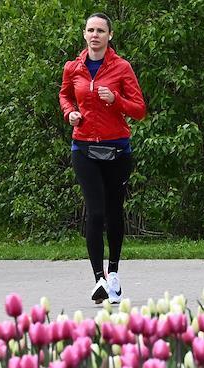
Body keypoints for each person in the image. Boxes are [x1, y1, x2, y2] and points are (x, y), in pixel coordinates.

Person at [59, 12, 146, 304]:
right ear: (84, 35)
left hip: (117, 149)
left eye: (100, 30)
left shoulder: (122, 68)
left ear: (110, 36)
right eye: (90, 30)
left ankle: (114, 274)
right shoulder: (73, 68)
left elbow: (139, 109)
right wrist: (69, 112)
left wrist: (116, 100)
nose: (95, 35)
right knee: (95, 212)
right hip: (83, 147)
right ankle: (99, 279)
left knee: (113, 211)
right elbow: (65, 95)